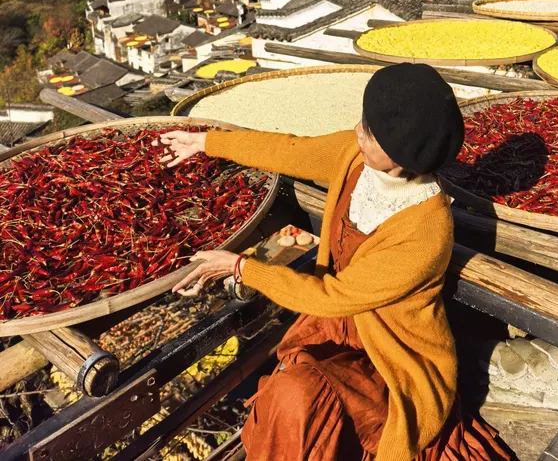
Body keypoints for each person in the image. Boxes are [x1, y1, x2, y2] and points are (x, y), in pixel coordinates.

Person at [161, 64, 513, 461]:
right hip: (333, 329)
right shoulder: (353, 155)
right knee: (292, 401)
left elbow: (334, 296)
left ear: (402, 153)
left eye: (371, 130)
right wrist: (207, 143)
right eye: (364, 120)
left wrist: (243, 268)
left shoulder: (423, 230)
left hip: (388, 357)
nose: (358, 131)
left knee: (297, 398)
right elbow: (289, 150)